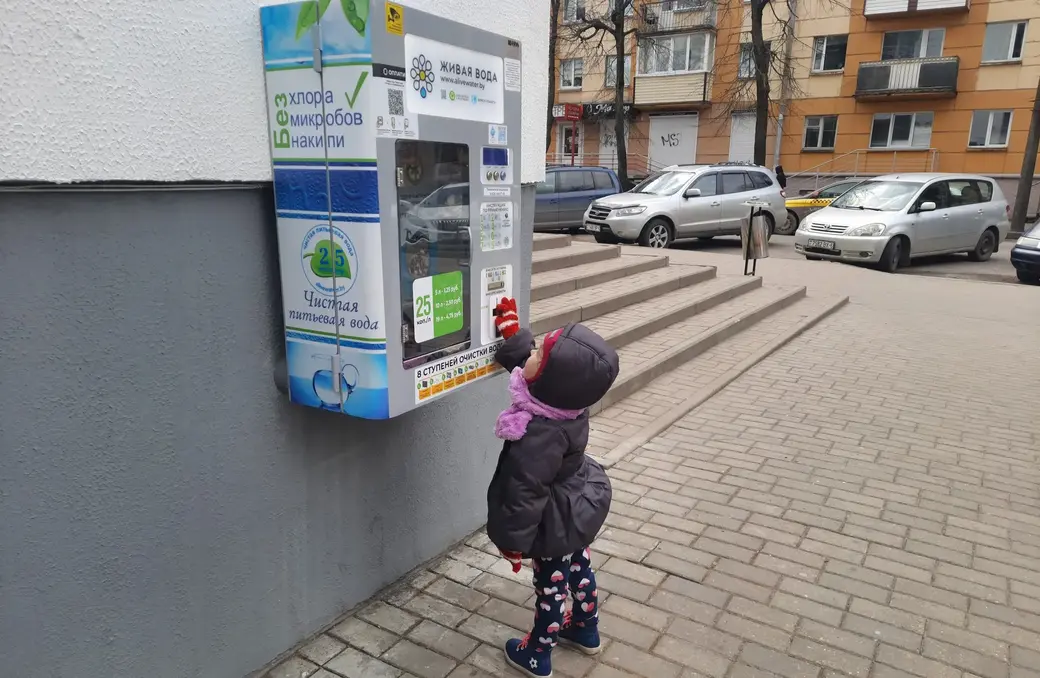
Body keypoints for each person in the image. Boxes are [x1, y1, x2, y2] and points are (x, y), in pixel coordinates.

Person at [486, 297, 618, 677]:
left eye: (538, 355)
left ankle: (538, 653)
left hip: (553, 516)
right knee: (579, 564)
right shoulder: (566, 404)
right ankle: (586, 629)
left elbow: (522, 494)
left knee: (551, 583)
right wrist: (511, 330)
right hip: (574, 507)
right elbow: (529, 370)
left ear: (549, 380)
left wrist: (512, 543)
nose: (530, 356)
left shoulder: (538, 433)